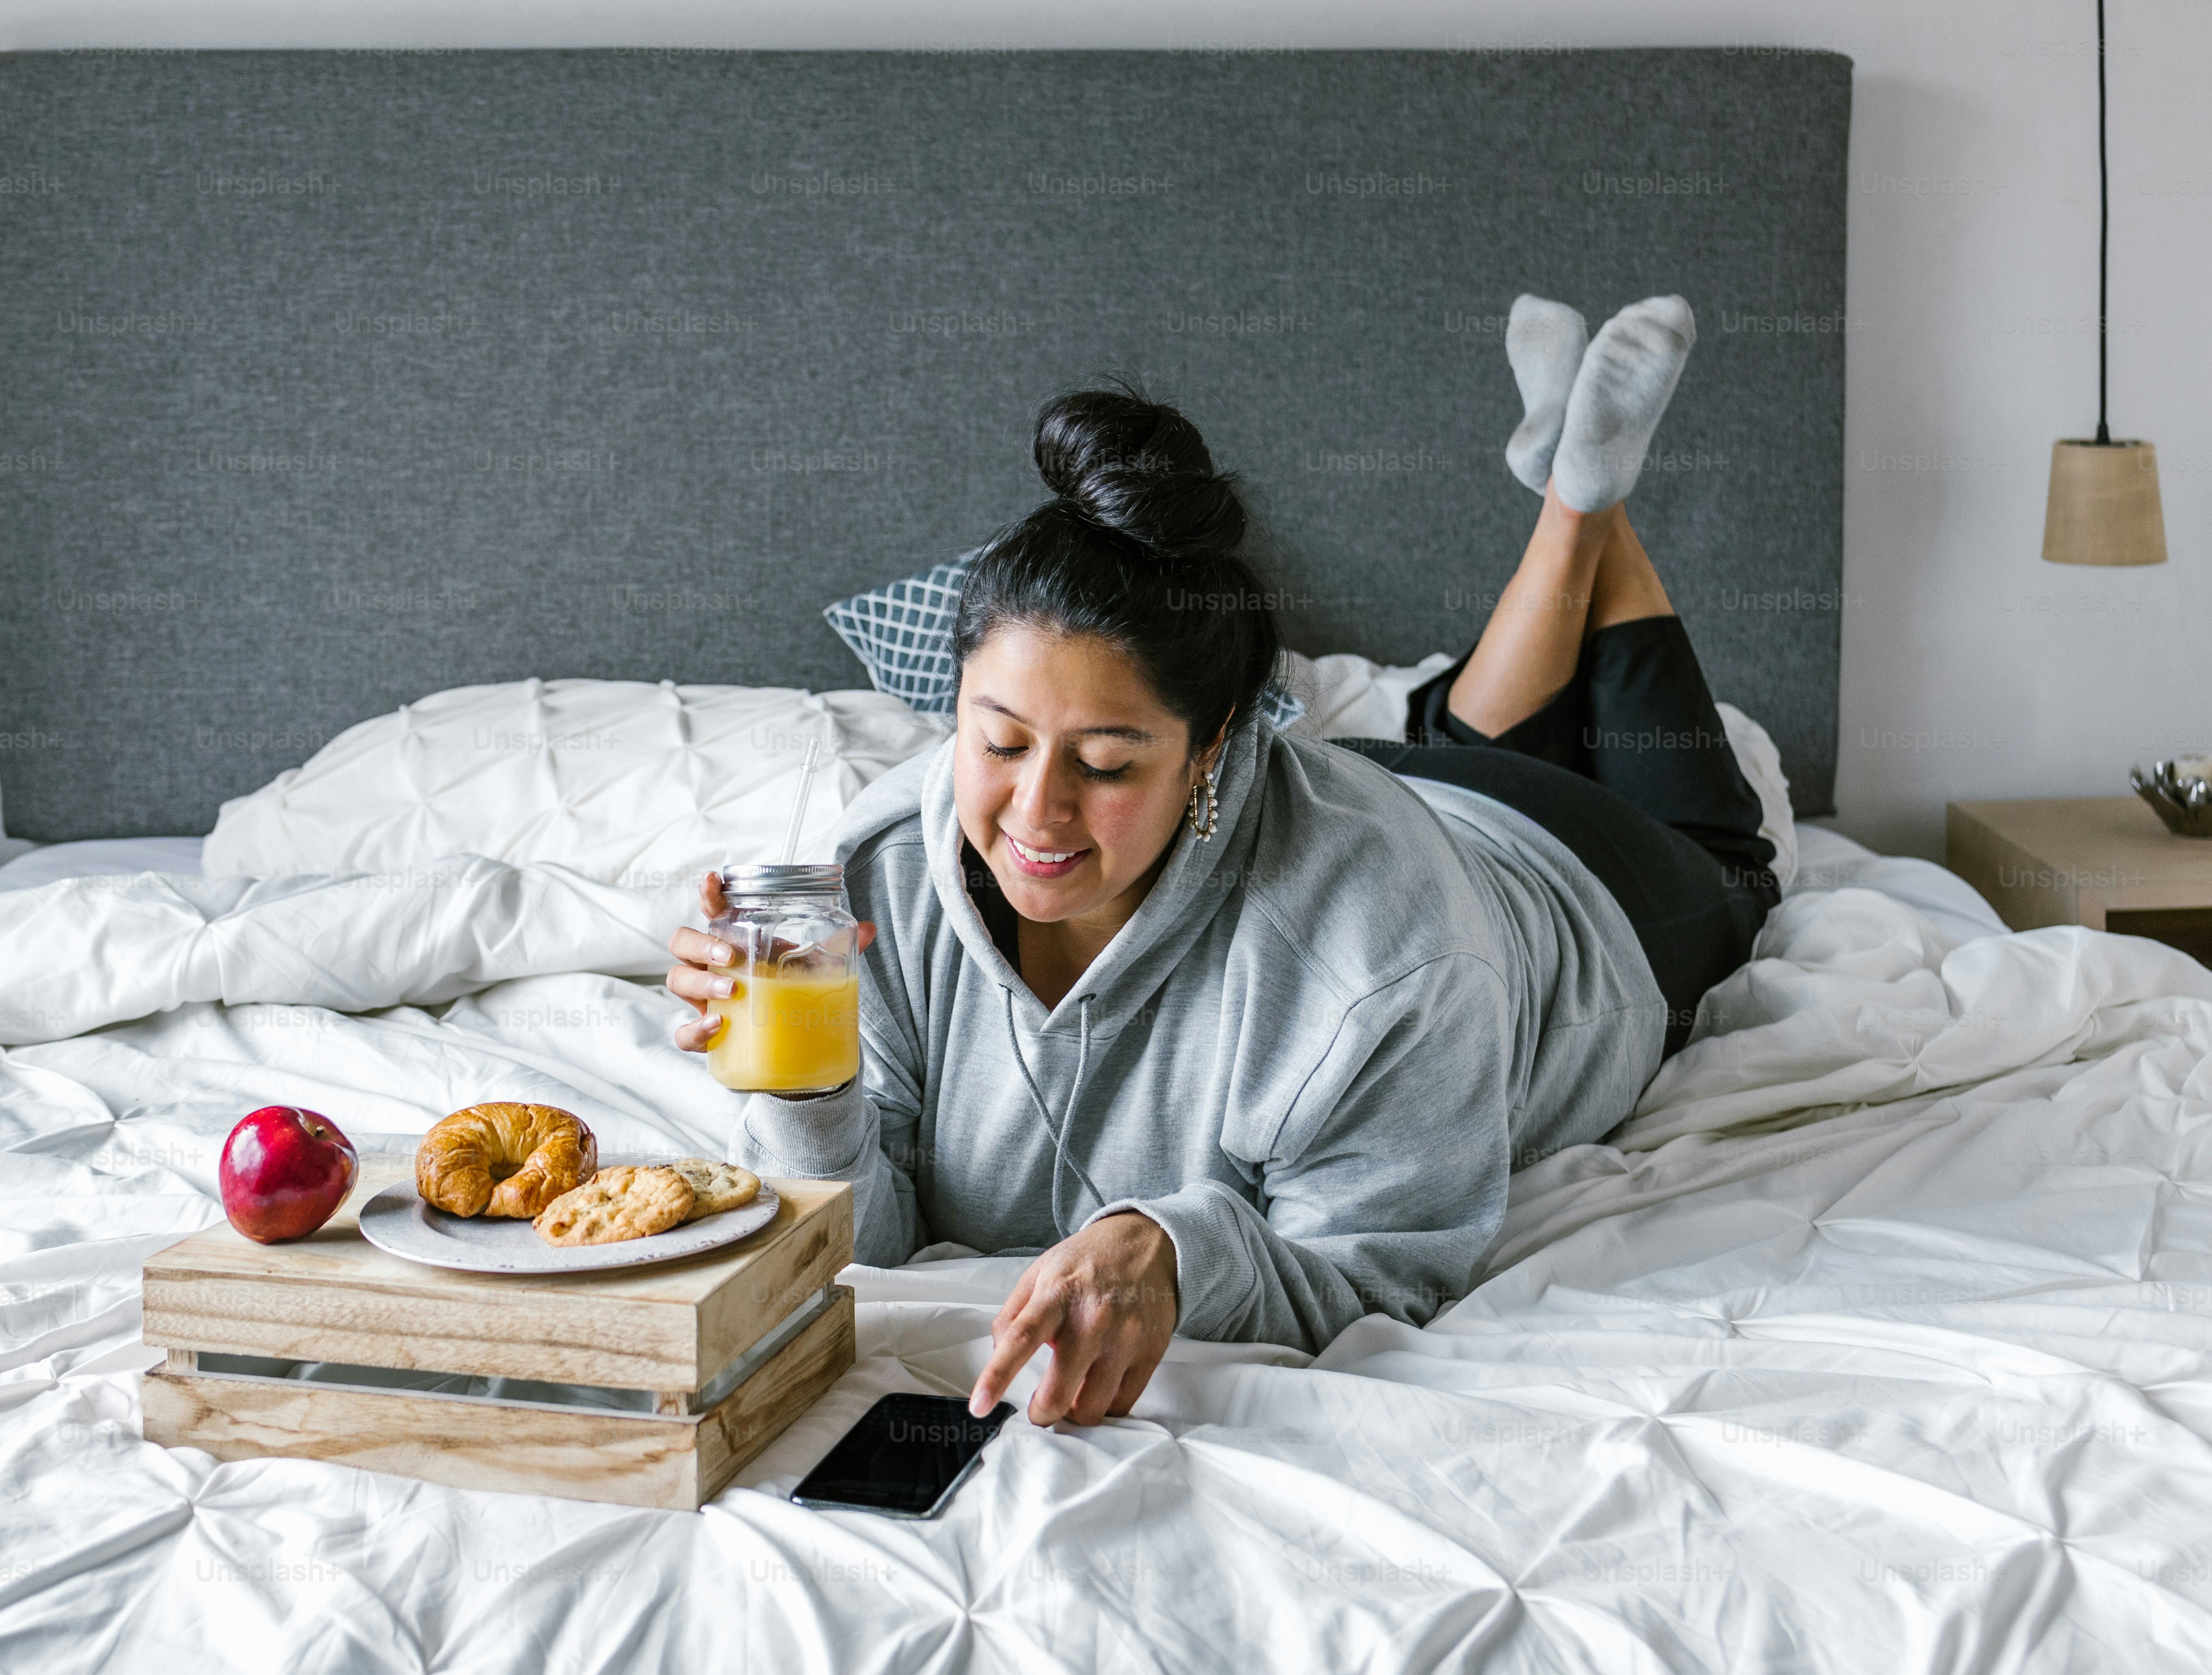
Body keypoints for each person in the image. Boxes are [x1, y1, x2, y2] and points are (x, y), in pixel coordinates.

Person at [665, 294, 1777, 1427]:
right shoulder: (881, 881)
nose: (1034, 812)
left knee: (1731, 860)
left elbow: (1380, 1269)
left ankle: (1589, 503)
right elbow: (869, 1234)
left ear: (1216, 745)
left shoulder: (1392, 961)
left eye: (1104, 764)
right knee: (1453, 735)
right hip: (1398, 785)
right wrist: (799, 1077)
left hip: (1570, 874)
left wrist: (1176, 1246)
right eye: (998, 742)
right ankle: (1567, 483)